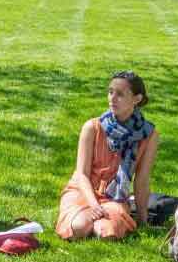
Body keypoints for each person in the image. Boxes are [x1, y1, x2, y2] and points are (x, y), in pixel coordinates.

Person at [56, 70, 160, 241]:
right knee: (79, 228)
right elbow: (81, 174)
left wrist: (143, 221)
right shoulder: (92, 127)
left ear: (137, 99)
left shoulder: (149, 135)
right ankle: (87, 219)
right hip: (83, 191)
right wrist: (94, 204)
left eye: (120, 94)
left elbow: (142, 180)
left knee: (107, 233)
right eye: (110, 92)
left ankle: (103, 222)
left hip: (115, 197)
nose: (112, 98)